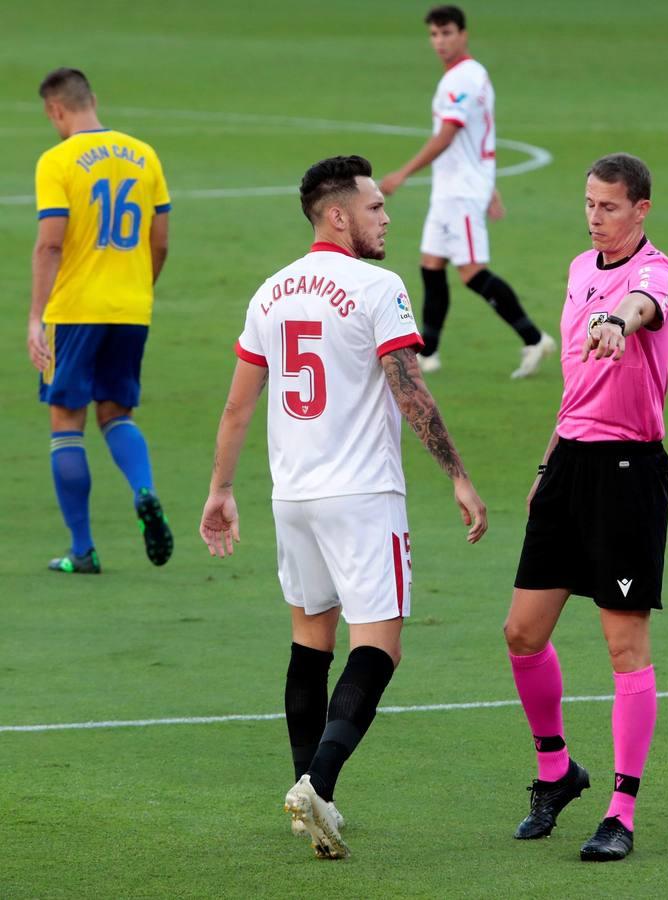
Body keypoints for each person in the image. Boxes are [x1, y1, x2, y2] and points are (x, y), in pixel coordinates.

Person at [199, 155, 486, 859]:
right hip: (361, 496)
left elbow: (240, 405)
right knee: (379, 647)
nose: (386, 217)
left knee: (309, 642)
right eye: (375, 207)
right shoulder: (377, 286)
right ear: (338, 215)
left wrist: (221, 490)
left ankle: (309, 788)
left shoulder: (269, 293)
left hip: (291, 496)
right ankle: (318, 787)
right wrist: (457, 474)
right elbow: (409, 390)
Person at [503, 153, 668, 862]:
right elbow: (577, 384)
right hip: (570, 464)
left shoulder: (656, 273)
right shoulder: (581, 268)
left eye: (609, 206)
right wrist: (548, 461)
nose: (595, 217)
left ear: (641, 209)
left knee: (623, 645)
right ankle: (556, 773)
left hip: (629, 474)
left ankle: (621, 810)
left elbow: (642, 307)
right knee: (522, 632)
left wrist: (618, 320)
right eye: (588, 204)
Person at [28, 68, 174, 574]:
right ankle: (144, 490)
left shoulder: (57, 161)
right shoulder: (144, 153)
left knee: (67, 423)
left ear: (55, 110)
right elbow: (161, 240)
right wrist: (139, 289)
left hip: (73, 310)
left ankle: (83, 550)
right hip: (131, 308)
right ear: (94, 99)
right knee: (117, 413)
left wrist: (34, 317)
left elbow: (50, 242)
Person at [379, 5, 555, 378]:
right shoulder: (470, 76)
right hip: (453, 188)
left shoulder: (462, 79)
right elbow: (483, 134)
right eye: (434, 35)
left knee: (473, 273)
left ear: (463, 34)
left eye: (447, 33)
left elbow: (449, 134)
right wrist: (490, 186)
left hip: (460, 191)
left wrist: (403, 173)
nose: (440, 41)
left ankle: (534, 338)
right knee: (431, 266)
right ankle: (430, 353)